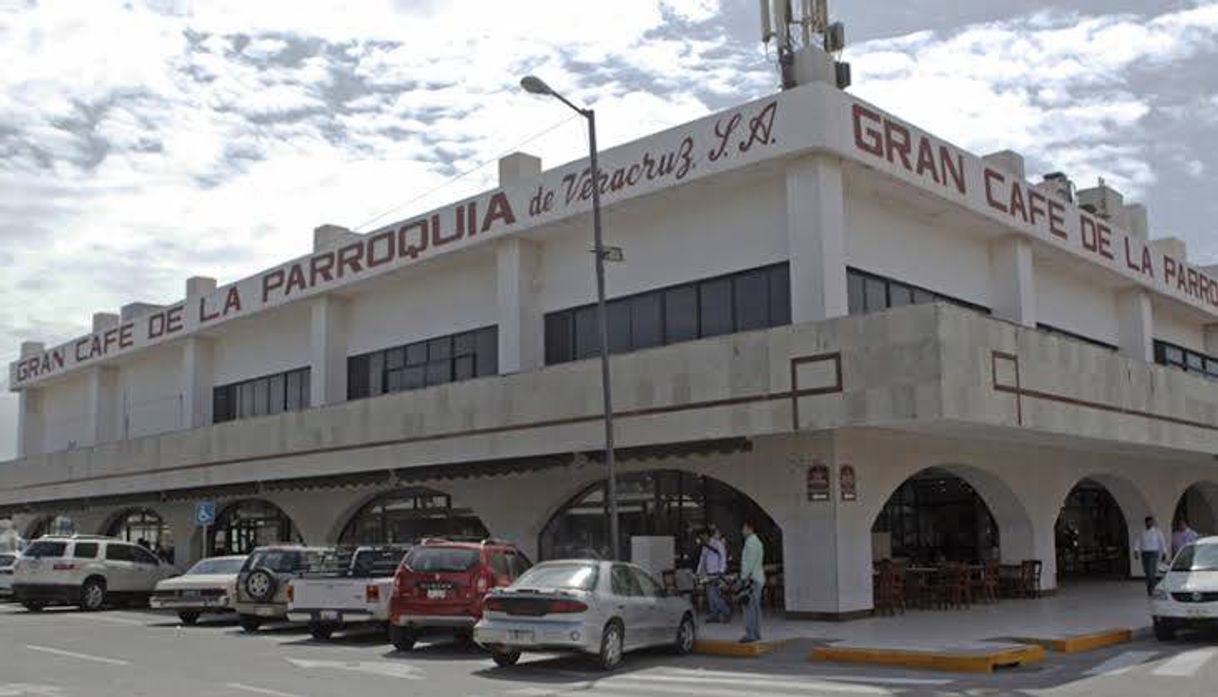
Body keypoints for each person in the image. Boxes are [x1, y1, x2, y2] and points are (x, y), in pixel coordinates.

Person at [739, 520, 765, 643]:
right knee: (755, 607)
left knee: (748, 607)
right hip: (758, 578)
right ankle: (757, 633)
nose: (742, 531)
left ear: (750, 528)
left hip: (751, 579)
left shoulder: (750, 543)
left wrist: (743, 578)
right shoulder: (758, 542)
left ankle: (750, 634)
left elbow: (748, 563)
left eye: (743, 528)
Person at [696, 526, 730, 623]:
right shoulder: (705, 546)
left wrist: (721, 570)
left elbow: (723, 557)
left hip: (716, 572)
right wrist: (699, 572)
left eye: (703, 535)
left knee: (714, 596)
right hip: (708, 573)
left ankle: (726, 611)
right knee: (711, 596)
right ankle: (714, 615)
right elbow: (702, 560)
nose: (702, 537)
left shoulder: (717, 544)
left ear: (707, 535)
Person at [1134, 516, 1168, 596]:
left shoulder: (1157, 532)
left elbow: (1162, 542)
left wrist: (1164, 552)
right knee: (1146, 572)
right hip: (1144, 553)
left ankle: (1152, 588)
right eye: (1148, 522)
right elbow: (1138, 541)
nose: (1150, 523)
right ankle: (1151, 587)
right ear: (1146, 522)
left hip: (1154, 553)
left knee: (1151, 571)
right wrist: (1136, 551)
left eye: (1151, 522)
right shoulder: (1142, 531)